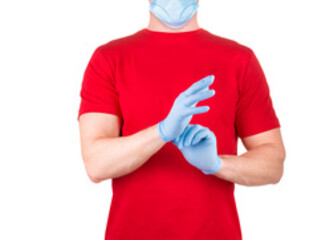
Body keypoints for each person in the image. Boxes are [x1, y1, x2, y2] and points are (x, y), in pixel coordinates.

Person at [77, 0, 286, 239]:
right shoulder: (109, 59)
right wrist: (162, 131)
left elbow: (273, 164)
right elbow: (96, 164)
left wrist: (217, 164)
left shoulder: (239, 60)